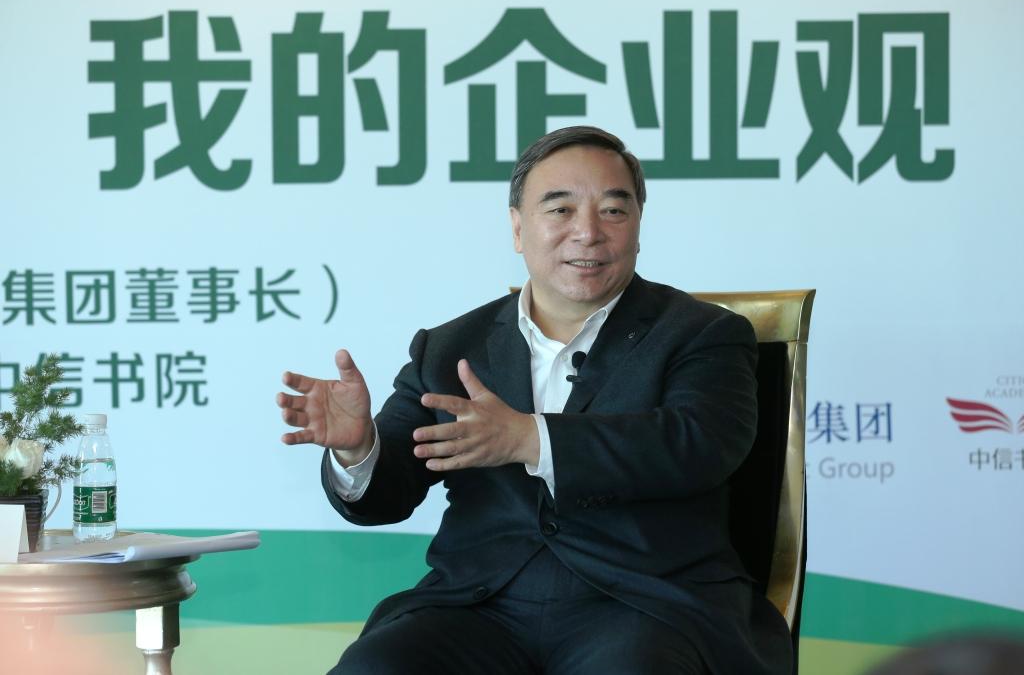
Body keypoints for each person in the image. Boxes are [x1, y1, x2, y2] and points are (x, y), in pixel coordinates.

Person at [277, 126, 792, 674]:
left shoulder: (702, 333)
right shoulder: (451, 346)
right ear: (518, 228)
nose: (587, 233)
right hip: (480, 606)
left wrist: (530, 438)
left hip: (646, 604)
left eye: (613, 211)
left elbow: (699, 446)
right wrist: (359, 449)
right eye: (561, 209)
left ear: (639, 225)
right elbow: (390, 491)